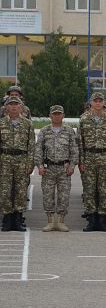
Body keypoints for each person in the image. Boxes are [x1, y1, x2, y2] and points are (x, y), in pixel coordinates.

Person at [77, 92, 106, 232]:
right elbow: (80, 142)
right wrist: (81, 161)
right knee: (89, 190)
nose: (97, 103)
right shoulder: (84, 120)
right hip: (89, 158)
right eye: (95, 101)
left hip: (105, 159)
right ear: (91, 104)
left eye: (100, 101)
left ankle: (103, 220)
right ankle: (92, 220)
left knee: (104, 189)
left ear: (104, 103)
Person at [34, 105, 78, 232]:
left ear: (63, 115)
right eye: (54, 114)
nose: (57, 116)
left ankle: (61, 222)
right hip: (49, 168)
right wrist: (40, 165)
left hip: (64, 168)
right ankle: (50, 221)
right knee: (48, 195)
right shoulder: (44, 131)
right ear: (50, 116)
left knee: (64, 195)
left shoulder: (69, 131)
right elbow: (38, 150)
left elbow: (74, 150)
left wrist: (72, 165)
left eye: (59, 114)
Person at [0, 97, 36, 231]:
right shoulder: (1, 123)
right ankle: (7, 219)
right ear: (6, 108)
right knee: (5, 191)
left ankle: (18, 219)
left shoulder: (27, 124)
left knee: (20, 191)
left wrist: (30, 163)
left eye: (16, 105)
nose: (14, 107)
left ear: (21, 107)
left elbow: (31, 145)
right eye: (11, 105)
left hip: (22, 160)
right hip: (5, 159)